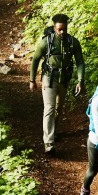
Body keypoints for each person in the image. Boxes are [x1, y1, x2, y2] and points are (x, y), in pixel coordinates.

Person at [29, 14, 85, 154]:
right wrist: (32, 80)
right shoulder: (46, 42)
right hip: (49, 78)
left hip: (64, 79)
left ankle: (52, 131)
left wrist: (80, 80)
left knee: (59, 109)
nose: (62, 32)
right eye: (59, 29)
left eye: (64, 29)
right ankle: (49, 143)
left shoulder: (73, 42)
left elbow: (79, 62)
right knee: (49, 108)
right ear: (54, 28)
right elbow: (35, 60)